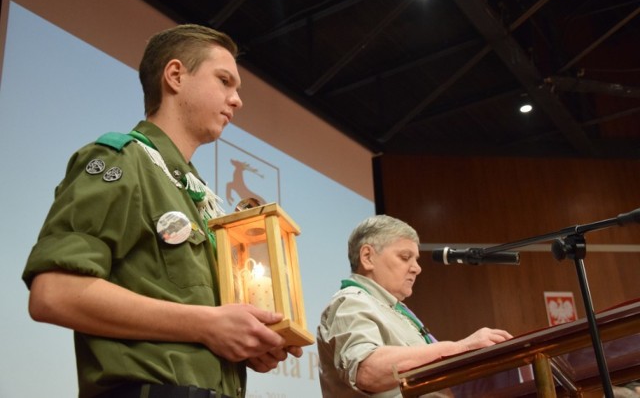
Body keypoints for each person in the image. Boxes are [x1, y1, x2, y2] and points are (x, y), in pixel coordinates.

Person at [22, 24, 302, 398]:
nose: (237, 100)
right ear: (175, 76)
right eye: (224, 81)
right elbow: (53, 293)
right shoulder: (122, 160)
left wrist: (248, 342)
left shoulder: (200, 197)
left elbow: (201, 318)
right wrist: (206, 325)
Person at [317, 215, 512, 397]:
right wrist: (460, 348)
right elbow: (368, 371)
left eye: (416, 259)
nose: (417, 268)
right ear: (367, 257)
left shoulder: (396, 311)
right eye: (404, 257)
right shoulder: (351, 302)